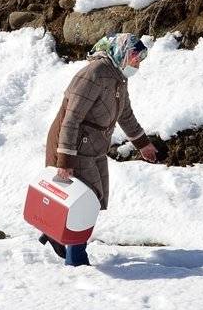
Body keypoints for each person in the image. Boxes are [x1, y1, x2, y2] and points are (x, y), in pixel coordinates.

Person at [43, 33, 159, 266]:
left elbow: (125, 115)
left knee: (95, 199)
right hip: (74, 146)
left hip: (95, 147)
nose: (137, 64)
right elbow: (71, 119)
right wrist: (64, 161)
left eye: (140, 60)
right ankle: (76, 260)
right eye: (135, 58)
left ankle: (54, 232)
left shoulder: (118, 78)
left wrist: (143, 144)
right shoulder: (93, 74)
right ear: (121, 52)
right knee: (85, 202)